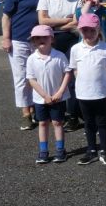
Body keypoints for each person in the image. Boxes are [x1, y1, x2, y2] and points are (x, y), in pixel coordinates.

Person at [2, 0, 53, 130]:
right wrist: (6, 38)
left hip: (41, 39)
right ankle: (26, 113)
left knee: (40, 75)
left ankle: (40, 109)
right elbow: (6, 15)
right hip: (19, 39)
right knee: (22, 77)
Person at [69, 13, 106, 165]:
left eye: (92, 30)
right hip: (83, 93)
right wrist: (84, 83)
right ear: (80, 31)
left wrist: (102, 82)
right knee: (89, 123)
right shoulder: (76, 49)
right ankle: (91, 150)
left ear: (98, 29)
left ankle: (104, 150)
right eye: (85, 31)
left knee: (102, 122)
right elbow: (75, 70)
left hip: (101, 92)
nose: (89, 34)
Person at [36, 0, 79, 132]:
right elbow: (42, 21)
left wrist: (54, 22)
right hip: (50, 40)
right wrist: (63, 21)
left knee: (72, 79)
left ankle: (73, 115)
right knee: (52, 78)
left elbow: (76, 22)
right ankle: (54, 113)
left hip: (70, 40)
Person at [26, 25, 71, 164]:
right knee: (43, 123)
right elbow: (31, 79)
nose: (41, 40)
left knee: (57, 122)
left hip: (58, 97)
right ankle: (43, 151)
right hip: (40, 99)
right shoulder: (32, 59)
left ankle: (60, 150)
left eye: (44, 37)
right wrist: (44, 95)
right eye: (37, 38)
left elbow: (67, 74)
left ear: (52, 39)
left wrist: (60, 92)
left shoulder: (59, 56)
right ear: (33, 41)